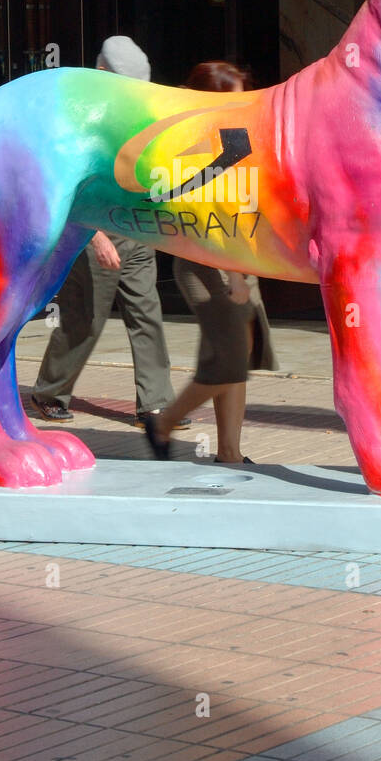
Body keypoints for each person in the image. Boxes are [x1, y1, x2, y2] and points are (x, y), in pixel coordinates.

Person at [31, 36, 188, 431]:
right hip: (91, 230)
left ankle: (155, 403)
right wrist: (96, 235)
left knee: (146, 312)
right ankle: (50, 391)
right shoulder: (77, 113)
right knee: (85, 318)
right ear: (102, 72)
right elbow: (70, 181)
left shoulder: (133, 108)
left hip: (136, 226)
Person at [144, 60, 277, 465]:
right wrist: (236, 276)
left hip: (237, 260)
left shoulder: (234, 134)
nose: (244, 102)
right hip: (209, 266)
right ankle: (165, 422)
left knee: (234, 360)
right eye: (235, 95)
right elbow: (210, 215)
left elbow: (245, 201)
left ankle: (229, 451)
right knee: (231, 359)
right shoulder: (194, 142)